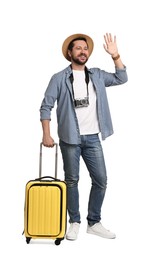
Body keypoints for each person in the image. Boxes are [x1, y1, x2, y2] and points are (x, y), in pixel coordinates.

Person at [40, 33, 128, 240]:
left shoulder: (96, 75)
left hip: (93, 138)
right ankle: (75, 222)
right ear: (70, 53)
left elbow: (121, 78)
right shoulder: (59, 78)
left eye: (85, 48)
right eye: (78, 48)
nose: (82, 51)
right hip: (70, 138)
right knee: (72, 181)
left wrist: (115, 56)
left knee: (101, 181)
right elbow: (46, 107)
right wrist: (47, 135)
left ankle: (94, 222)